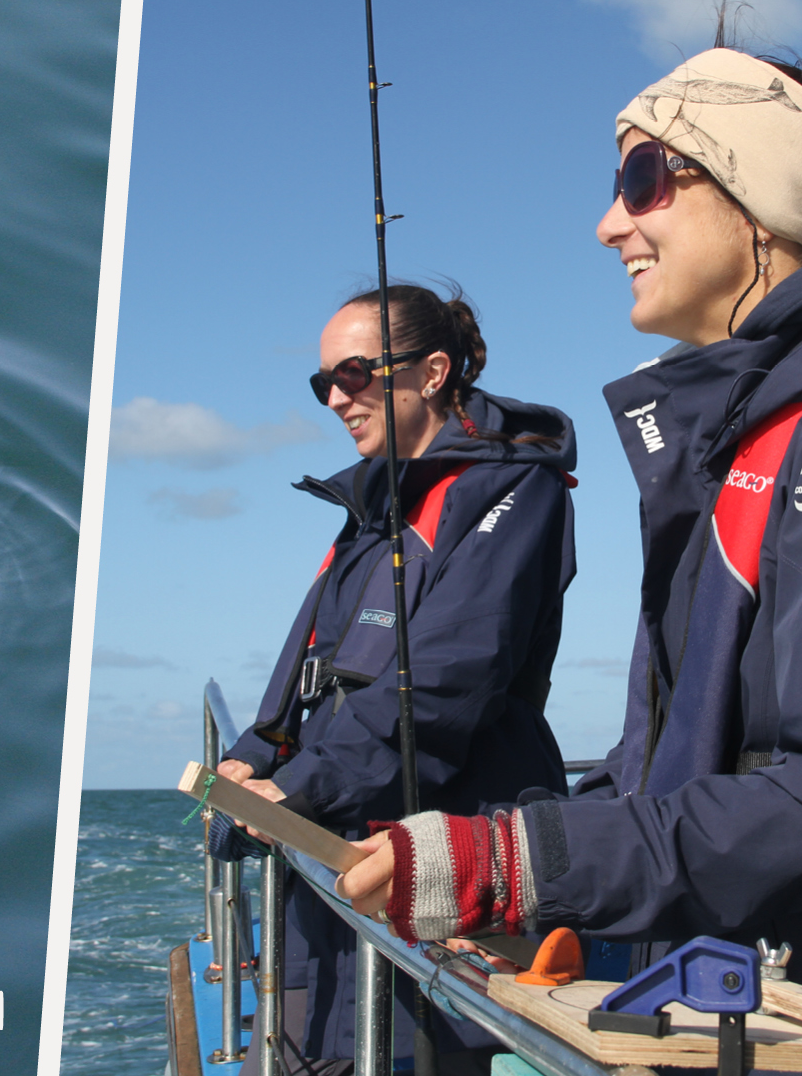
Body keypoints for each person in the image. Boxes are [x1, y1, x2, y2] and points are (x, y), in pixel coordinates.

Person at [336, 47, 802, 1038]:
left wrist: (521, 865)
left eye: (642, 178)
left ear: (764, 200)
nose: (610, 221)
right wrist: (537, 890)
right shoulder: (752, 444)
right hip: (747, 999)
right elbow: (675, 757)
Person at [215, 283, 576, 1073]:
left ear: (433, 371)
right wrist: (258, 753)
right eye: (323, 384)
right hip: (341, 822)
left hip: (443, 840)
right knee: (305, 1049)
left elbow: (453, 676)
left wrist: (306, 786)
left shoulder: (518, 486)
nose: (336, 397)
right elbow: (311, 658)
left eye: (354, 373)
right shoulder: (372, 505)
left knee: (418, 1046)